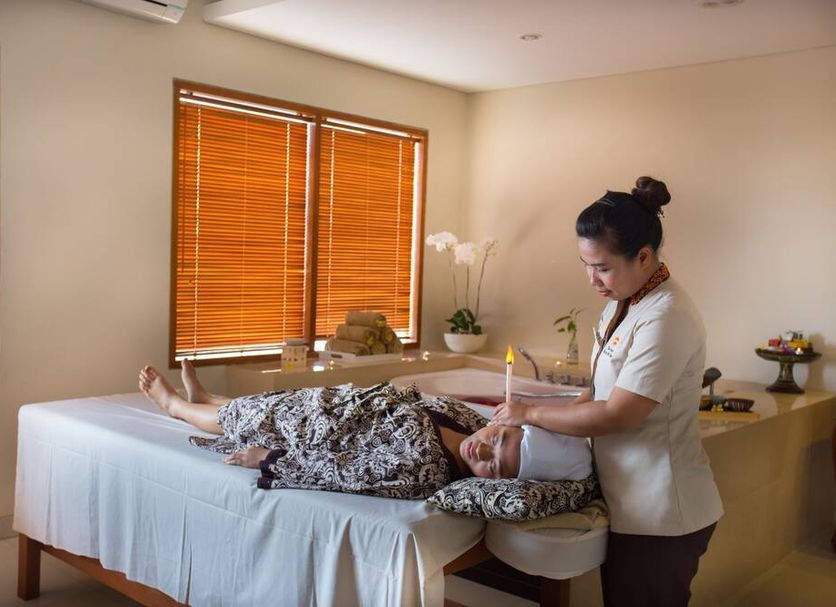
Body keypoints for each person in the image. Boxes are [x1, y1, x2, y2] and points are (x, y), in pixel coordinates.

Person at [490, 176, 723, 607]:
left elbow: (619, 413)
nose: (592, 280)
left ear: (643, 256)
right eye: (586, 265)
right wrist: (531, 411)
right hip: (630, 504)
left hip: (661, 512)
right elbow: (597, 393)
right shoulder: (623, 303)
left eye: (602, 267)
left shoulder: (667, 315)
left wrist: (531, 414)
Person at [138, 361, 592, 499]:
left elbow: (348, 472)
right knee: (257, 402)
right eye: (500, 441)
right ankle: (208, 396)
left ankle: (177, 405)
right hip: (336, 401)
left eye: (495, 467)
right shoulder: (473, 421)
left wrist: (270, 459)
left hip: (317, 431)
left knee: (245, 418)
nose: (484, 452)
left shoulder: (426, 472)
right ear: (506, 425)